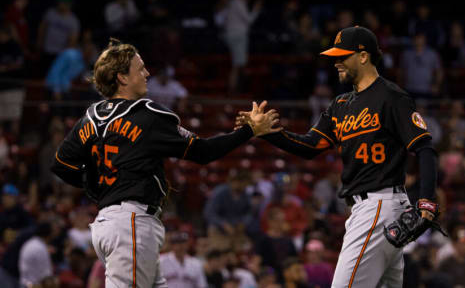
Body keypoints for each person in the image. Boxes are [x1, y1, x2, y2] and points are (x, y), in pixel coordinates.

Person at [50, 38, 280, 288]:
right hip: (131, 224)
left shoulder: (90, 117)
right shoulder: (147, 114)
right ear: (122, 78)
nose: (147, 73)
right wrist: (248, 131)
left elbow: (62, 165)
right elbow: (202, 152)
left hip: (108, 222)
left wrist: (97, 185)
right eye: (140, 68)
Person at [236, 26, 439, 287]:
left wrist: (427, 202)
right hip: (369, 209)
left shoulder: (391, 97)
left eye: (343, 56)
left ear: (363, 56)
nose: (336, 62)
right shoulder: (341, 104)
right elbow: (311, 146)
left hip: (378, 206)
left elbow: (425, 148)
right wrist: (267, 133)